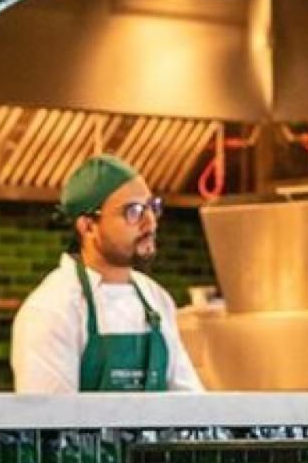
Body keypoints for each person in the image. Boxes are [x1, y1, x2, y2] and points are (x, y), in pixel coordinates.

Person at [11, 154, 204, 394]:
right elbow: (50, 415)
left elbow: (190, 403)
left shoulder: (156, 299)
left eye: (152, 207)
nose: (151, 222)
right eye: (133, 211)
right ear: (88, 226)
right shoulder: (52, 309)